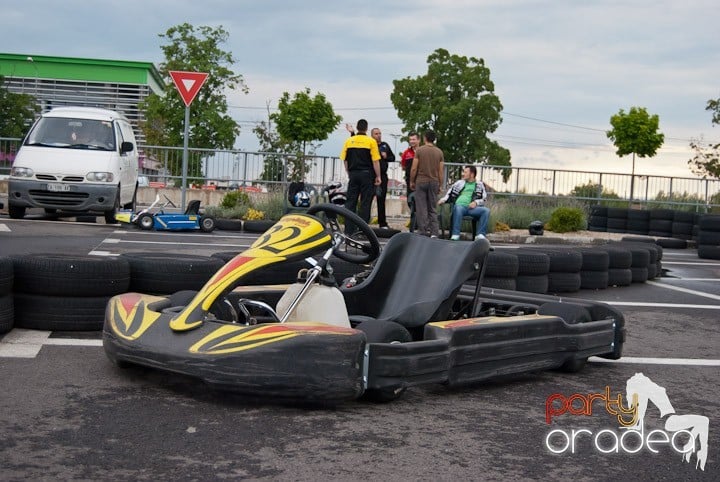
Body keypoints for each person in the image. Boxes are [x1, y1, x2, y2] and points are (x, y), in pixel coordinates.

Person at [340, 119, 381, 225]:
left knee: (350, 202)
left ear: (357, 128)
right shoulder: (371, 141)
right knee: (365, 203)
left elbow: (345, 159)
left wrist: (348, 172)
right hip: (367, 174)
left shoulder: (349, 141)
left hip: (353, 174)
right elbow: (375, 161)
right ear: (366, 128)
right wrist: (378, 176)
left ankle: (349, 229)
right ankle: (362, 230)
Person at [439, 165, 490, 240]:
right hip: (460, 207)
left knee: (486, 211)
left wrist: (476, 202)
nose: (463, 174)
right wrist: (443, 199)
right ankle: (455, 235)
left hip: (472, 209)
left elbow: (484, 198)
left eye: (465, 172)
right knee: (458, 208)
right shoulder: (459, 183)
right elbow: (449, 193)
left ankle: (480, 235)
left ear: (472, 174)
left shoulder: (480, 185)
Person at [409, 130, 444, 238]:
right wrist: (440, 184)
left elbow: (414, 168)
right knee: (432, 208)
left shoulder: (419, 151)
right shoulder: (439, 152)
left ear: (425, 138)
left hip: (421, 181)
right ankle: (434, 232)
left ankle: (422, 231)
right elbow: (440, 171)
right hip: (434, 182)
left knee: (421, 208)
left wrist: (412, 181)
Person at [370, 127, 395, 228]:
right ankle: (363, 222)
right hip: (371, 176)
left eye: (380, 133)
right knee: (367, 200)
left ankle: (382, 223)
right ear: (372, 135)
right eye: (376, 134)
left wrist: (386, 157)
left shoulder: (384, 145)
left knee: (381, 200)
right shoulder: (370, 145)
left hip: (383, 176)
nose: (378, 135)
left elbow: (392, 158)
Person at [400, 132, 420, 198]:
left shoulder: (423, 152)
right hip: (409, 179)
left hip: (421, 178)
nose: (411, 141)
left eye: (413, 139)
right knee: (410, 199)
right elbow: (403, 166)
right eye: (410, 140)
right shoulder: (406, 153)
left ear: (418, 140)